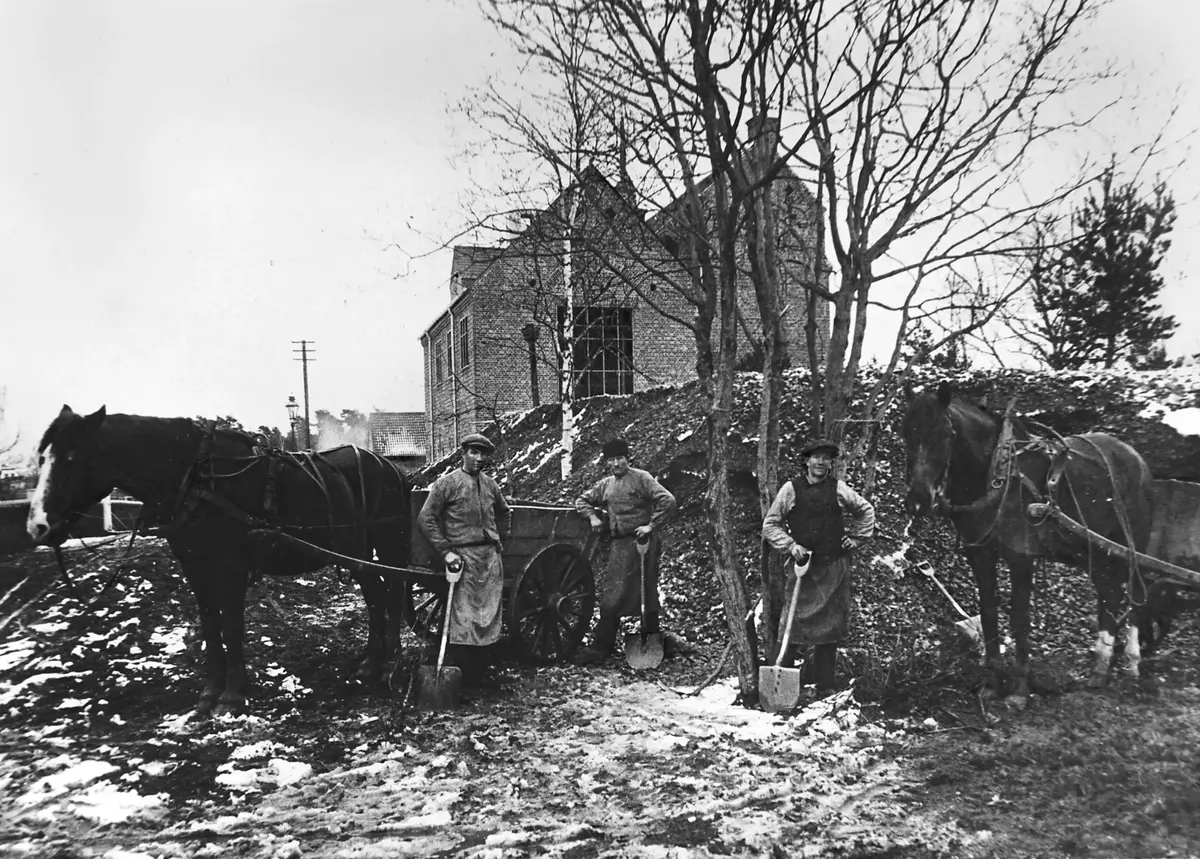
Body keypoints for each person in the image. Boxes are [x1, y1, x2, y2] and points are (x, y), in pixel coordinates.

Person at [761, 438, 875, 690]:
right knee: (791, 622)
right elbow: (770, 525)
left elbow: (865, 510)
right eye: (817, 457)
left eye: (827, 458)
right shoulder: (790, 490)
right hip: (803, 568)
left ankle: (825, 684)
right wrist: (791, 545)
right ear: (806, 461)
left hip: (833, 567)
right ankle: (783, 683)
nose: (822, 463)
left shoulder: (838, 489)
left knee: (830, 627)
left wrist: (857, 538)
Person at [417, 433, 513, 683]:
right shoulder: (446, 484)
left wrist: (499, 539)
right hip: (462, 558)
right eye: (474, 452)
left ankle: (484, 668)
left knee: (489, 615)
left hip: (489, 558)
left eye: (483, 454)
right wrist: (446, 551)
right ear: (464, 453)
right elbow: (425, 518)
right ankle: (463, 673)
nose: (479, 458)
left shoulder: (491, 485)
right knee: (464, 617)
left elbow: (504, 512)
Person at [574, 438, 676, 665]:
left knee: (646, 590)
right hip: (620, 544)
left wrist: (650, 526)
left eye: (620, 458)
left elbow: (668, 501)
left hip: (643, 542)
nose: (616, 463)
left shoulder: (641, 478)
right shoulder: (606, 485)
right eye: (611, 460)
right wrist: (591, 516)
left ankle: (651, 641)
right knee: (613, 593)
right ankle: (602, 647)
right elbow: (582, 500)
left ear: (627, 459)